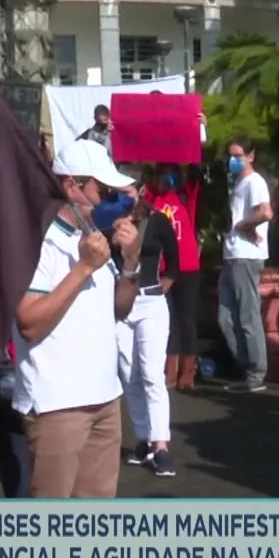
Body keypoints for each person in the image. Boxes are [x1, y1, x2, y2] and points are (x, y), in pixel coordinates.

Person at [13, 139, 146, 558]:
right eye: (102, 188)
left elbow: (119, 308)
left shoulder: (97, 234)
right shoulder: (35, 238)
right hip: (55, 401)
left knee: (96, 508)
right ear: (71, 186)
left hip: (103, 394)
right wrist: (84, 267)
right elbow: (28, 321)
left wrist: (127, 262)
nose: (113, 197)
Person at [118, 192, 180, 476]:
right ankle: (143, 439)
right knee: (129, 374)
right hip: (119, 303)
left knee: (152, 374)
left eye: (128, 189)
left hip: (150, 300)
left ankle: (161, 445)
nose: (123, 195)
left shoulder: (157, 222)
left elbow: (175, 264)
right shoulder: (109, 222)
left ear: (140, 190)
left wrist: (158, 292)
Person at [218, 138, 272, 393]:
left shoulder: (255, 182)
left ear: (251, 156)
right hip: (232, 254)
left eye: (238, 155)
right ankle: (245, 367)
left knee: (248, 315)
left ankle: (256, 374)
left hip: (246, 255)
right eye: (231, 155)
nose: (233, 160)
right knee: (226, 316)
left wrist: (245, 225)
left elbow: (265, 212)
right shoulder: (237, 183)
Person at [145, 163, 203, 390]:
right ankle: (170, 369)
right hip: (164, 269)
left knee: (187, 319)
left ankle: (188, 371)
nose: (168, 177)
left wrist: (199, 133)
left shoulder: (185, 196)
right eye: (164, 172)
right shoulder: (153, 197)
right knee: (167, 321)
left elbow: (196, 171)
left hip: (188, 267)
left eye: (173, 173)